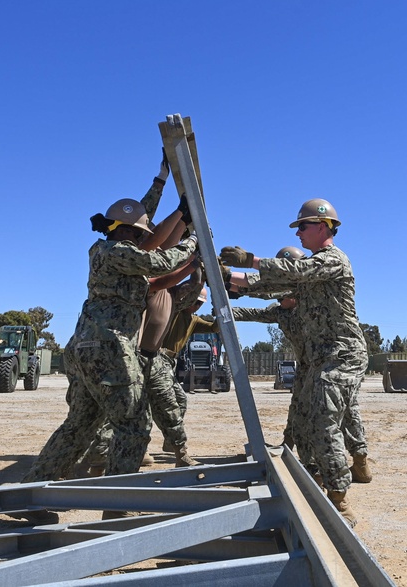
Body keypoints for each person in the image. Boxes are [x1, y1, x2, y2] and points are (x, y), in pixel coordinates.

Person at [22, 197, 197, 487]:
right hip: (110, 348)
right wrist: (192, 243)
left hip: (87, 349)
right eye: (140, 232)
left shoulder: (108, 254)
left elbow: (153, 283)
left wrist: (191, 268)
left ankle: (34, 490)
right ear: (133, 231)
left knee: (79, 425)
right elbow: (159, 262)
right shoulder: (117, 251)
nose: (142, 237)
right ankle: (118, 502)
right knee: (134, 425)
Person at [220, 198, 368, 526]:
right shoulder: (306, 277)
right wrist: (230, 278)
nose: (299, 232)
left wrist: (251, 260)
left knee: (324, 421)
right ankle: (313, 480)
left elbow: (296, 270)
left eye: (302, 226)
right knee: (302, 422)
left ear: (323, 226)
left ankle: (340, 501)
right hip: (318, 359)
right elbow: (269, 285)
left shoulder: (333, 261)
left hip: (343, 356)